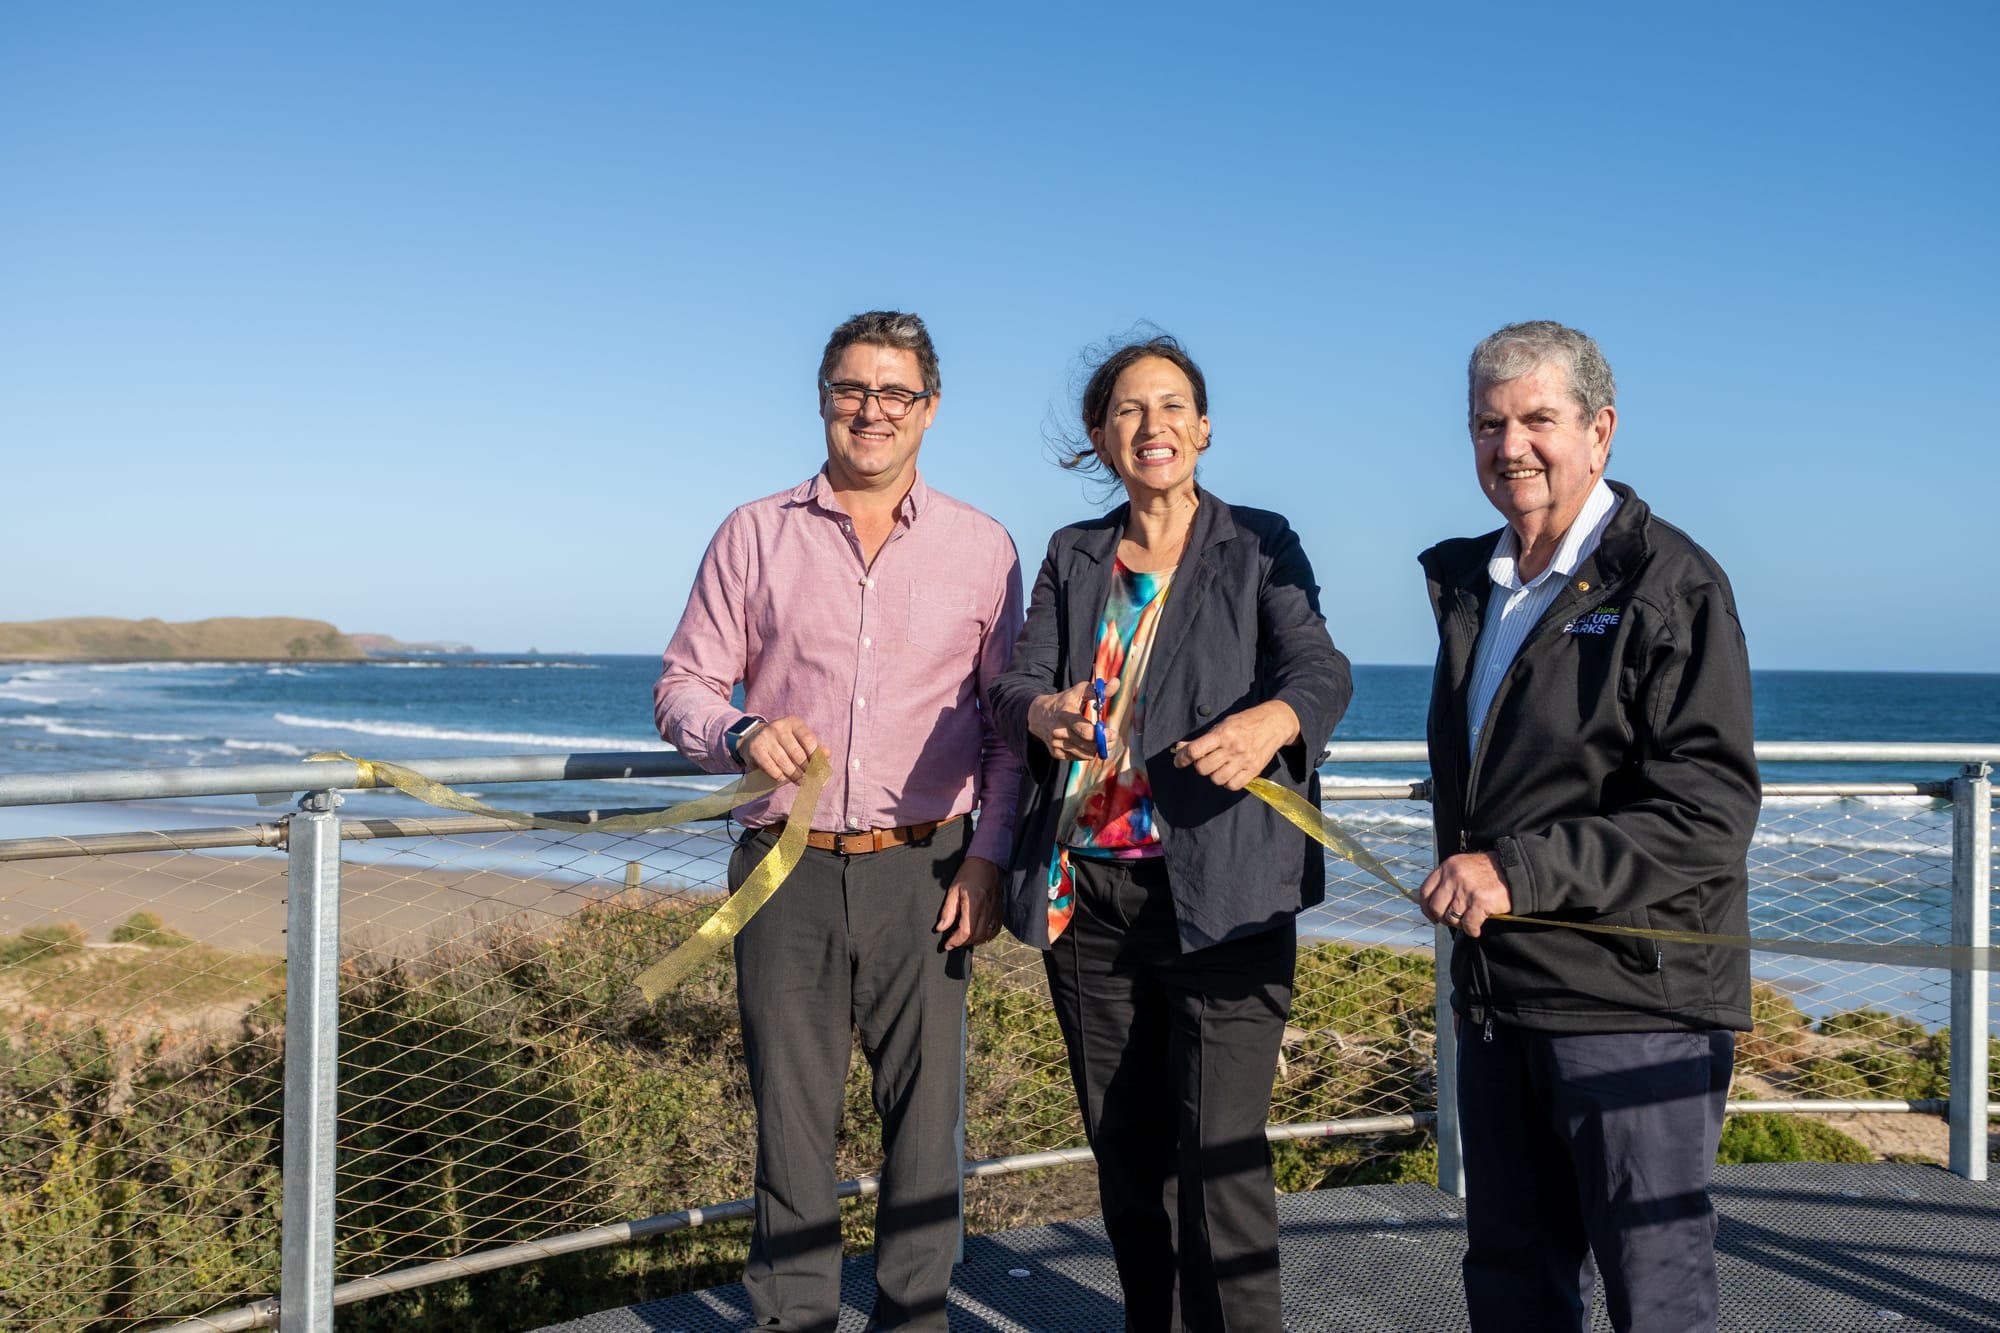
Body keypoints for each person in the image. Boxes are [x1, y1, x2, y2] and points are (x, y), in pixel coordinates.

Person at [654, 310, 1024, 1333]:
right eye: (850, 390)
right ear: (823, 398)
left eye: (893, 392)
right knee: (791, 1117)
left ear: (928, 409)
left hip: (931, 868)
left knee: (924, 1126)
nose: (871, 410)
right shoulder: (752, 531)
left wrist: (988, 859)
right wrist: (736, 729)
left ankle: (913, 1319)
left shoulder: (984, 548)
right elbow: (683, 681)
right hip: (785, 869)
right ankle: (793, 1318)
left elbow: (1006, 731)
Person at [989, 334, 1351, 1331]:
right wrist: (1042, 713)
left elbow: (1317, 669)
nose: (1152, 426)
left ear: (1201, 428)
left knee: (1220, 1160)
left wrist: (1273, 721)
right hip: (1089, 898)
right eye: (1128, 410)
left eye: (1172, 405)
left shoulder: (1259, 542)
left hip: (1223, 895)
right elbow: (1014, 679)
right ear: (1100, 438)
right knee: (1126, 1153)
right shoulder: (1073, 552)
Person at [1417, 320, 1760, 1333]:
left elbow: (1707, 814)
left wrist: (1512, 871)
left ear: (1598, 430)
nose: (1508, 445)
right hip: (1499, 998)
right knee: (1511, 1281)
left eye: (1536, 420)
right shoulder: (1475, 585)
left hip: (1633, 1004)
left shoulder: (1670, 584)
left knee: (1653, 1289)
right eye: (1486, 424)